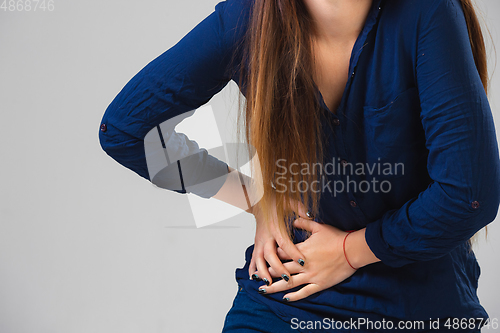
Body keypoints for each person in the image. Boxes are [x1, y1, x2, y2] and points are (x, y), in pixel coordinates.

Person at [98, 0, 500, 332]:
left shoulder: (426, 12)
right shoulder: (247, 19)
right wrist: (257, 199)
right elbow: (125, 129)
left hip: (420, 303)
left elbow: (469, 198)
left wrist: (348, 251)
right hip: (290, 294)